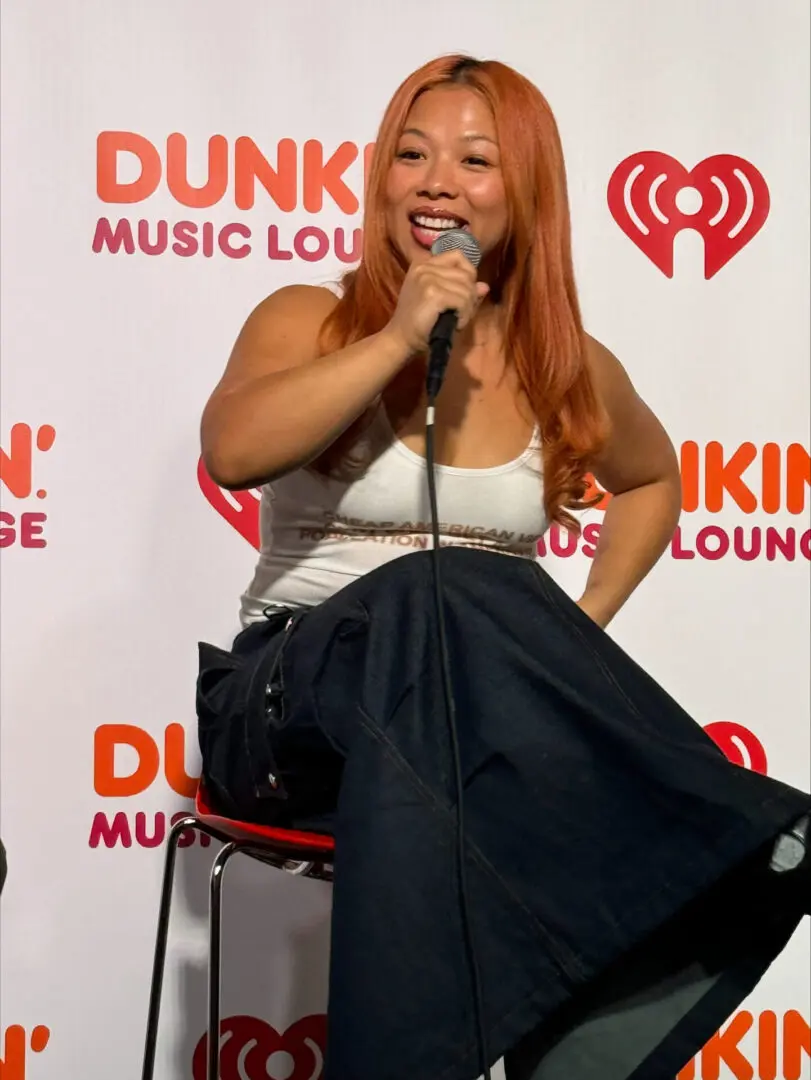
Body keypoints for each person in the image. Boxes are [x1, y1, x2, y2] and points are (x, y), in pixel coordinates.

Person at [196, 55, 810, 1080]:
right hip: (285, 709)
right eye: (411, 153)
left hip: (462, 735)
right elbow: (233, 450)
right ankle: (728, 826)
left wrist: (583, 624)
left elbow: (652, 481)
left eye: (474, 160)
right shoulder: (308, 318)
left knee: (468, 633)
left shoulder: (559, 365)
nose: (436, 180)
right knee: (448, 586)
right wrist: (396, 335)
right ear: (381, 179)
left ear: (521, 197)